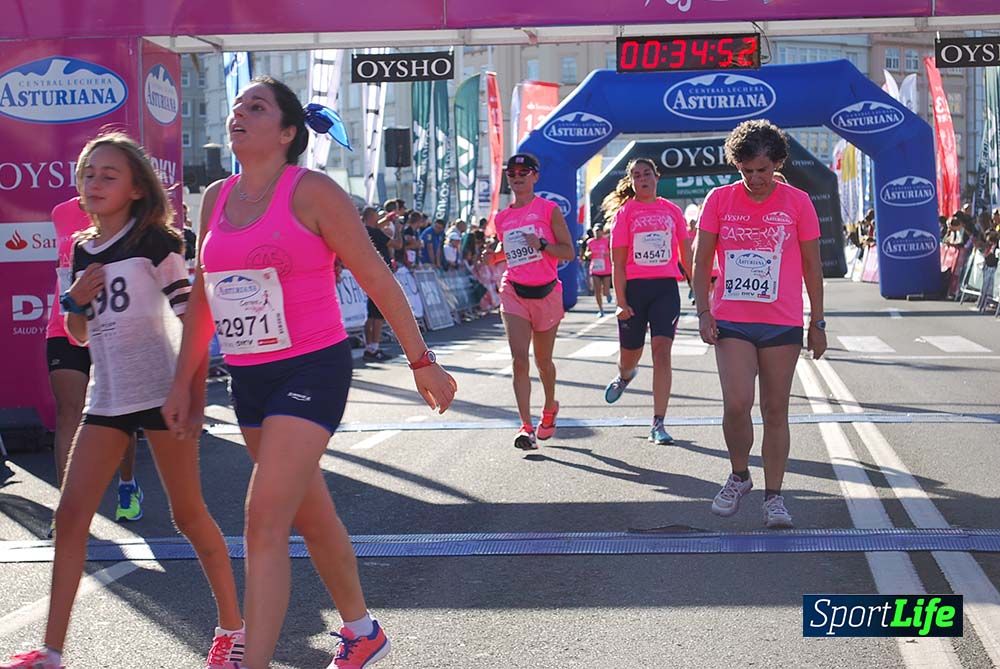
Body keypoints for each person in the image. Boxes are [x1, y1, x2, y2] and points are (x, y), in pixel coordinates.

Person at [162, 76, 457, 669]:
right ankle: (363, 631)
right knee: (309, 513)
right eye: (238, 105)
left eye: (257, 107)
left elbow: (375, 276)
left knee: (263, 520)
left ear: (287, 133)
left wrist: (422, 361)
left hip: (311, 368)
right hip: (249, 377)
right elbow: (204, 298)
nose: (239, 113)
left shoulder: (313, 191)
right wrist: (185, 383)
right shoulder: (215, 197)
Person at [2, 132, 244, 669]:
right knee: (70, 516)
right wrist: (75, 302)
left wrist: (190, 394)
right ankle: (52, 651)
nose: (95, 183)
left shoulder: (157, 242)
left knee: (188, 515)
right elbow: (79, 335)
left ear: (137, 188)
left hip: (162, 394)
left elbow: (192, 319)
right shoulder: (81, 247)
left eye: (109, 175)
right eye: (88, 174)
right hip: (107, 398)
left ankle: (233, 628)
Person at [693, 119, 826, 530]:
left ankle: (774, 497)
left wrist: (818, 321)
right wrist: (703, 312)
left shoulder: (798, 202)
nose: (754, 179)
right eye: (746, 170)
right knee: (736, 403)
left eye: (762, 170)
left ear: (778, 163)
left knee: (775, 409)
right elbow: (701, 260)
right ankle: (739, 475)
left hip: (781, 320)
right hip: (733, 318)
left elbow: (812, 265)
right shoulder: (719, 199)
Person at [45, 197, 143, 539]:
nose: (90, 180)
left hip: (113, 325)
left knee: (119, 413)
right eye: (85, 174)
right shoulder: (60, 212)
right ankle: (68, 510)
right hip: (64, 323)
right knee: (67, 413)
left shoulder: (126, 209)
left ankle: (127, 484)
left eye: (102, 175)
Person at [484, 153, 575, 450]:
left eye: (524, 172)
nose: (517, 177)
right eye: (512, 173)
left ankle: (549, 407)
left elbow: (568, 252)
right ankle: (525, 427)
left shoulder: (549, 210)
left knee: (543, 362)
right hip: (514, 291)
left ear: (535, 176)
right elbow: (508, 250)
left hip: (546, 293)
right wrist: (493, 256)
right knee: (519, 360)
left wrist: (543, 245)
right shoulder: (502, 218)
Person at [600, 159, 693, 445]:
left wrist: (698, 289)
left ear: (656, 176)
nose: (643, 178)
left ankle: (658, 422)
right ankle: (625, 375)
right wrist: (621, 301)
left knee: (662, 352)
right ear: (632, 181)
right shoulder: (625, 213)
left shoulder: (672, 211)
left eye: (647, 173)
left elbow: (686, 254)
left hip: (665, 288)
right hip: (635, 290)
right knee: (630, 356)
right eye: (637, 175)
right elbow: (617, 264)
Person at [362, 206, 402, 362]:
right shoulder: (375, 232)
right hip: (380, 275)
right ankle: (374, 347)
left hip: (369, 274)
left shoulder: (363, 230)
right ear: (372, 217)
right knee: (378, 314)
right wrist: (397, 228)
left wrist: (388, 218)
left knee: (371, 313)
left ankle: (370, 347)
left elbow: (377, 224)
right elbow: (397, 244)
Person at [584, 224, 612, 316]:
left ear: (602, 232)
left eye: (599, 231)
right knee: (597, 290)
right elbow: (586, 252)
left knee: (605, 291)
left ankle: (607, 294)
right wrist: (588, 254)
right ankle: (601, 310)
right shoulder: (590, 242)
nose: (597, 233)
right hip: (595, 269)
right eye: (595, 231)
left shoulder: (606, 241)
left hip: (606, 269)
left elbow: (612, 251)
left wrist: (607, 253)